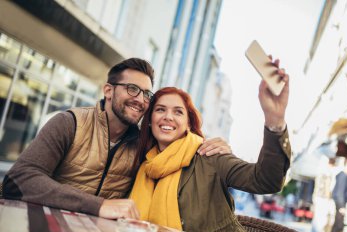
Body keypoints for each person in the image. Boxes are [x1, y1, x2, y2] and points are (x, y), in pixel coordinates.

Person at [2, 58, 230, 219]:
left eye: (146, 94)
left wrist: (208, 143)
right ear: (108, 91)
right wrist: (100, 206)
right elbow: (19, 179)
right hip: (43, 226)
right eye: (132, 89)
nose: (140, 99)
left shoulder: (144, 144)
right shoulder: (69, 123)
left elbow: (177, 147)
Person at [129, 58, 291, 232]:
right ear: (150, 120)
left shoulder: (210, 155)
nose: (168, 117)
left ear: (189, 124)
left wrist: (275, 119)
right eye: (160, 110)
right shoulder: (144, 165)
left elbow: (267, 181)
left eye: (178, 112)